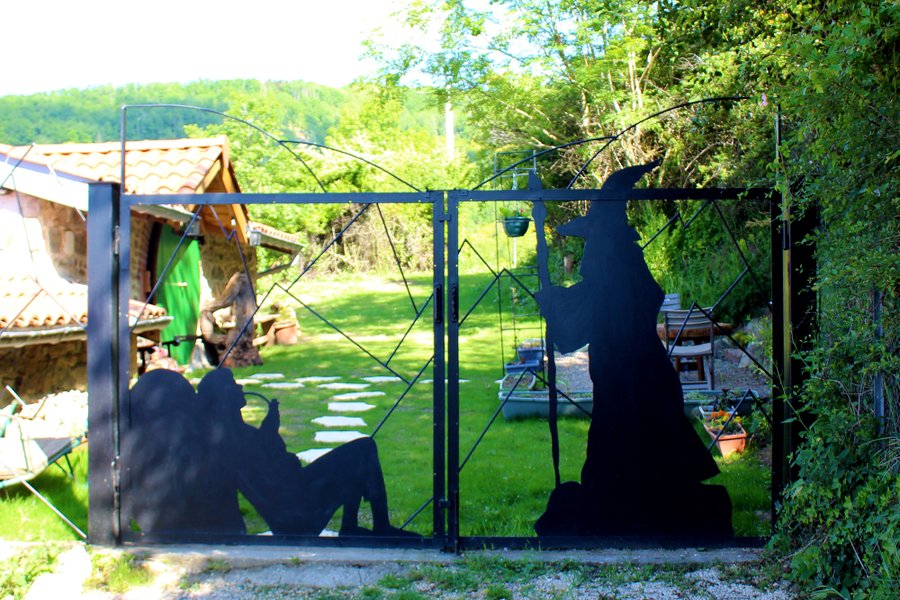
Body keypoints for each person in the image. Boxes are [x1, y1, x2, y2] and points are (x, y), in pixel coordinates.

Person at [533, 163, 733, 536]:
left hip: (633, 382)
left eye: (592, 240)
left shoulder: (616, 279)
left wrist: (551, 300)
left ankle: (640, 516)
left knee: (640, 452)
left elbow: (576, 326)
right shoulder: (619, 275)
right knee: (635, 452)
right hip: (631, 380)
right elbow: (580, 321)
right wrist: (554, 300)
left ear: (604, 243)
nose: (588, 251)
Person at [197, 368, 411, 537]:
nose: (240, 386)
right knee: (363, 450)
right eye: (233, 384)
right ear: (222, 396)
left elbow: (274, 466)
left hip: (296, 498)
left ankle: (353, 526)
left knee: (360, 451)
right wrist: (269, 435)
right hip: (296, 513)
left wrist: (269, 432)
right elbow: (273, 476)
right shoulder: (230, 442)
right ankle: (376, 526)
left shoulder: (241, 435)